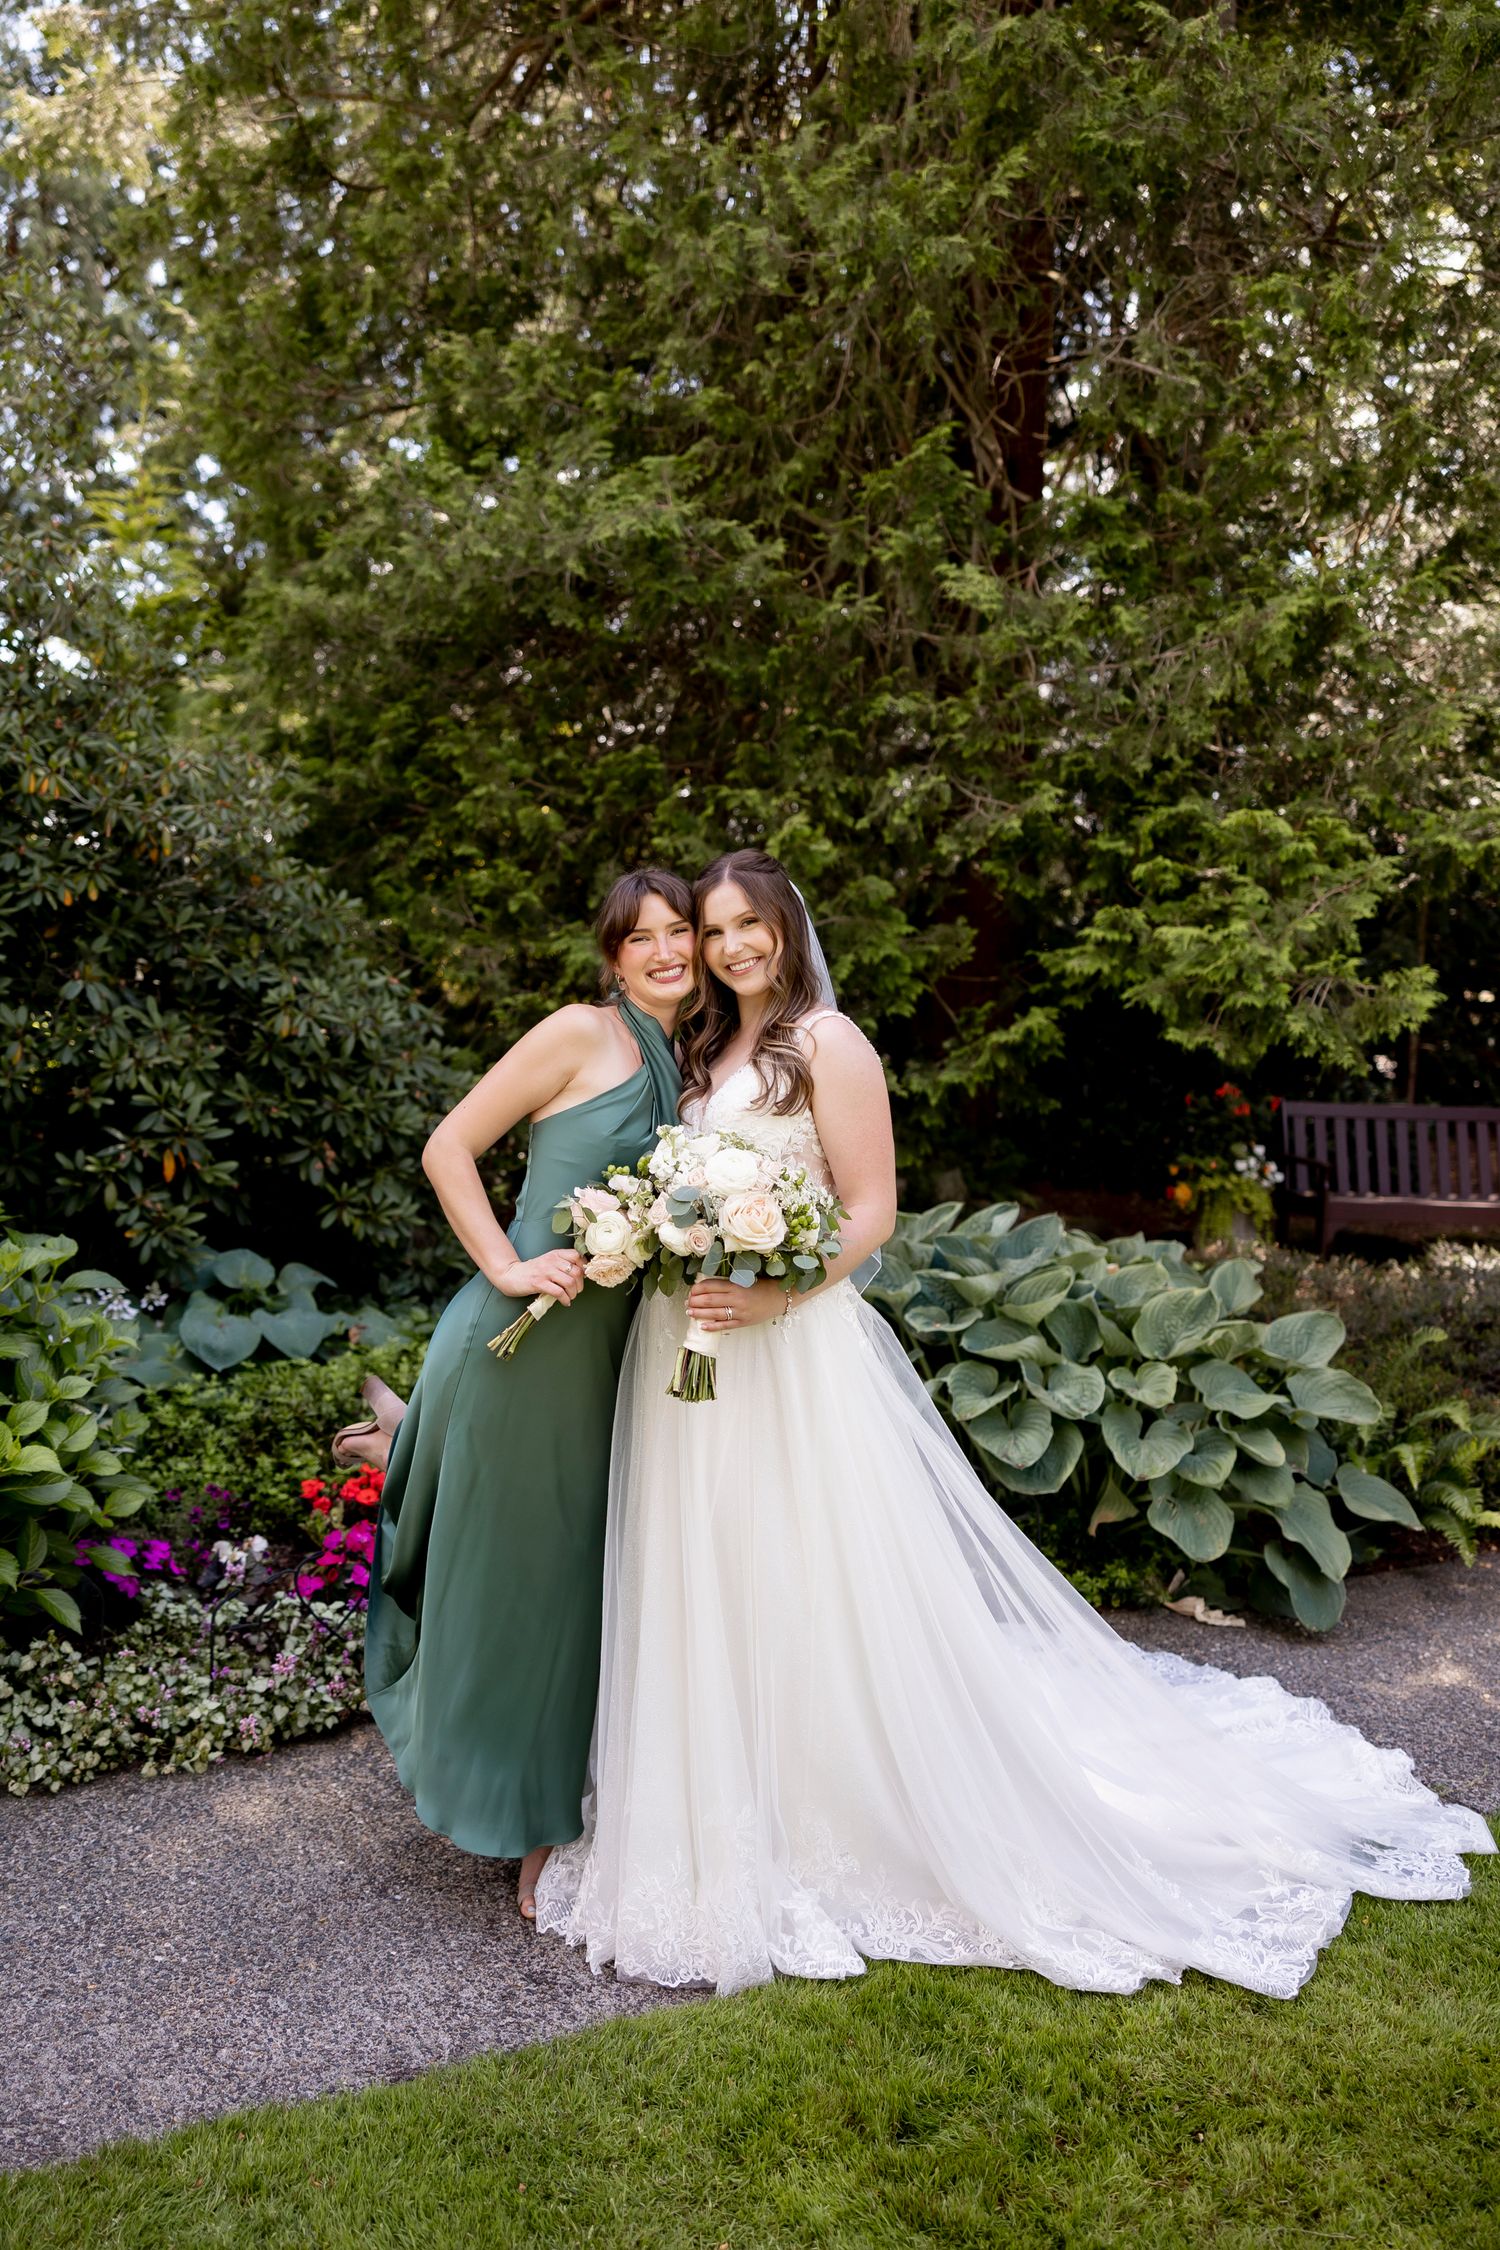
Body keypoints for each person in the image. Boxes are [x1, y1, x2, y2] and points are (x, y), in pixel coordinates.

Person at [537, 849, 1494, 1995]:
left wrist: (772, 1296)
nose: (732, 945)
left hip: (785, 1349)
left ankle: (825, 1791)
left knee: (804, 1565)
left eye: (752, 923)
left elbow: (870, 1212)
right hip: (688, 1349)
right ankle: (707, 1779)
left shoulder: (828, 1044)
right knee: (710, 1562)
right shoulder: (700, 1050)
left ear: (786, 927)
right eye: (715, 927)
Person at [357, 870, 691, 1919]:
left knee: (588, 1582)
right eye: (641, 938)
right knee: (533, 1590)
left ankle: (406, 1441)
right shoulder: (579, 1033)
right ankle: (530, 1828)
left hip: (610, 1363)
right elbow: (447, 1146)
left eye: (680, 930)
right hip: (520, 1349)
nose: (667, 951)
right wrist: (506, 1265)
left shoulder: (695, 1056)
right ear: (613, 957)